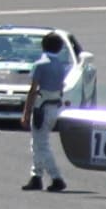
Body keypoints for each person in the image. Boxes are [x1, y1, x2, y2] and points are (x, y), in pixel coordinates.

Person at [22, 31, 72, 193]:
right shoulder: (61, 66)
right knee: (37, 143)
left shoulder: (40, 64)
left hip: (41, 108)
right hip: (54, 107)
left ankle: (56, 177)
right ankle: (36, 176)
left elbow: (33, 90)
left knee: (41, 145)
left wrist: (26, 112)